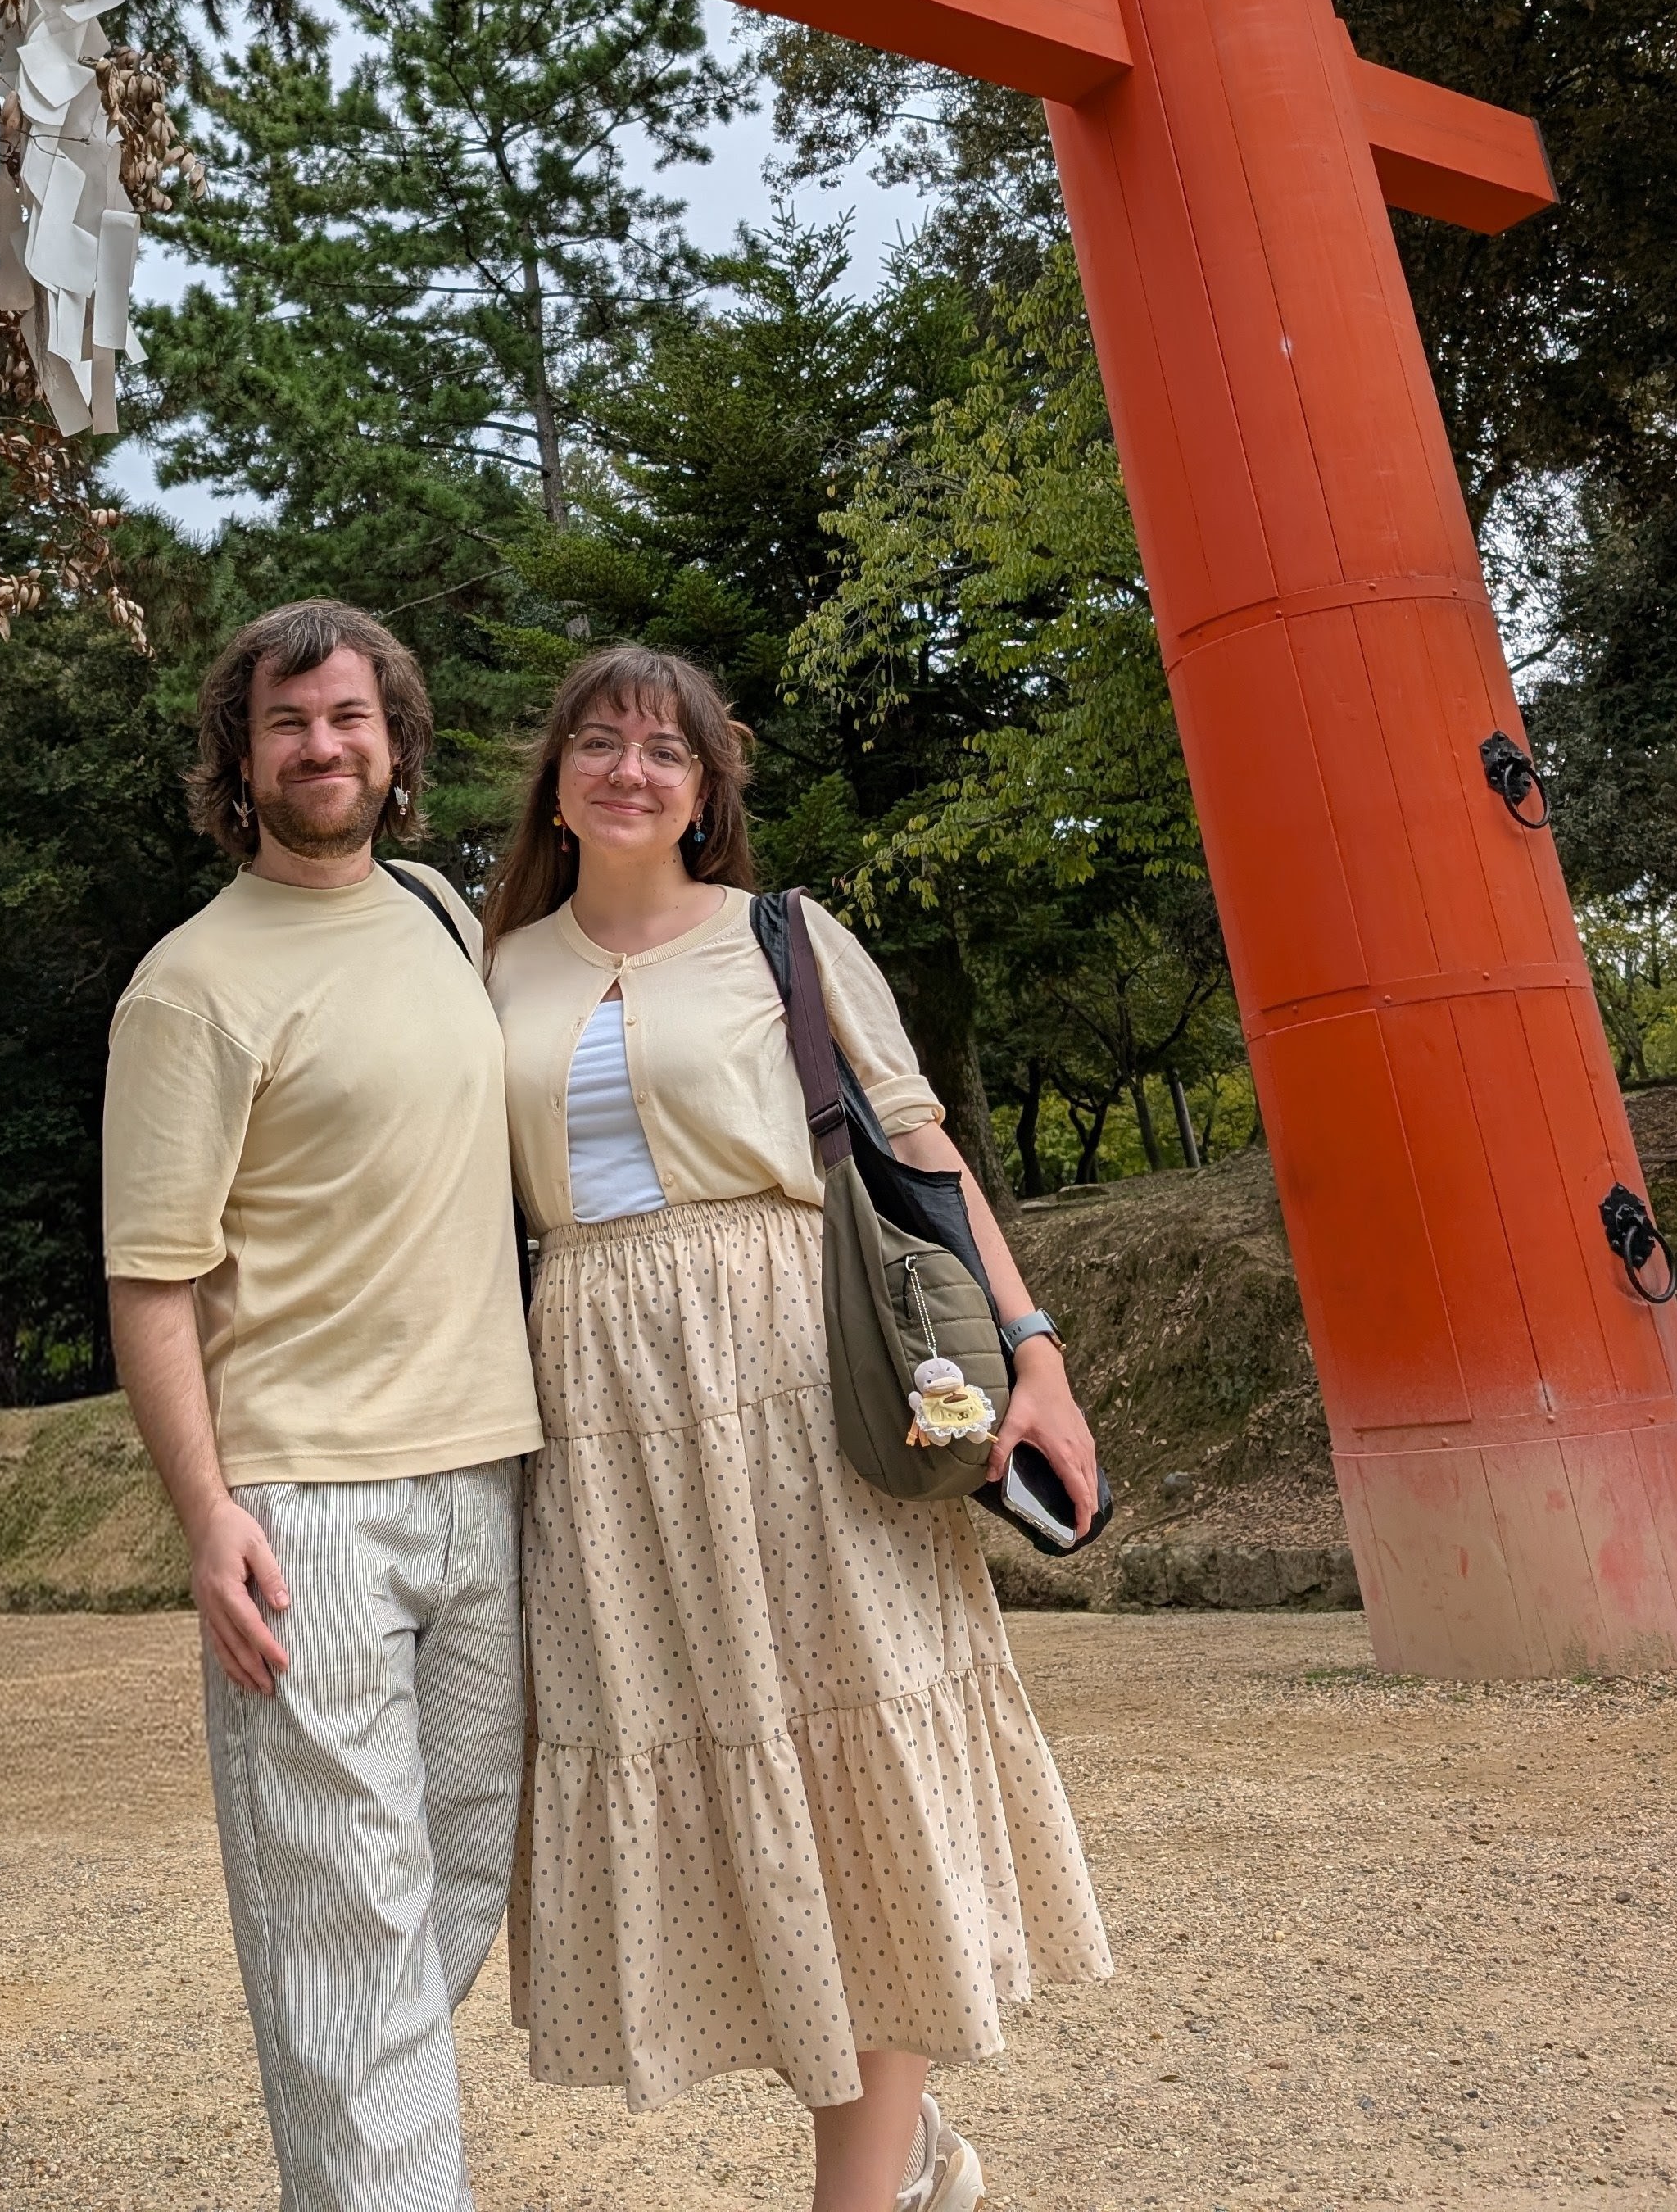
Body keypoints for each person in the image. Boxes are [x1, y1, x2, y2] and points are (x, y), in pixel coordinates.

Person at [486, 646, 1113, 2212]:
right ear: (556, 778)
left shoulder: (786, 938)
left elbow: (920, 1151)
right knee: (706, 1767)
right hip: (600, 1397)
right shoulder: (495, 967)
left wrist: (1032, 1349)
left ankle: (865, 2188)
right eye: (601, 743)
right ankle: (909, 2149)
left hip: (798, 1357)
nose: (632, 770)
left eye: (667, 751)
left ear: (709, 792)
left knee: (852, 1747)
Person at [104, 599, 542, 2212]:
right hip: (306, 1504)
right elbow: (151, 1280)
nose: (323, 746)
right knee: (347, 1917)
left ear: (397, 742)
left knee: (453, 1888)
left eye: (350, 718)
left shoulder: (442, 918)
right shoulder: (190, 984)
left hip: (489, 1474)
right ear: (240, 759)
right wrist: (208, 1515)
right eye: (289, 724)